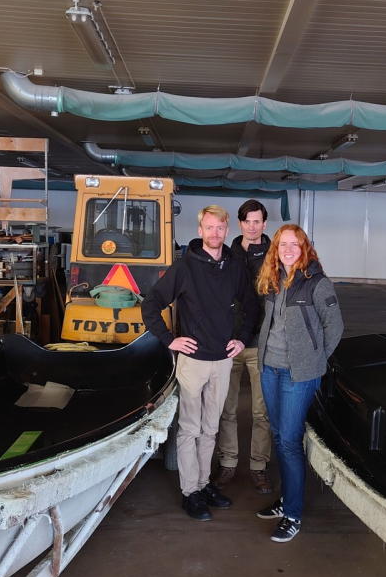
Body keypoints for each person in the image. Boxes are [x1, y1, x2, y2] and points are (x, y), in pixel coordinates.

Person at [142, 204, 259, 521]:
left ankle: (204, 484)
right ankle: (189, 493)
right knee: (190, 428)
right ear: (200, 231)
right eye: (209, 227)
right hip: (193, 361)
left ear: (226, 230)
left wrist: (242, 338)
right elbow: (151, 304)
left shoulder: (234, 268)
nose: (215, 233)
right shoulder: (184, 268)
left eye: (220, 228)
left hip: (222, 361)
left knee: (210, 428)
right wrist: (170, 340)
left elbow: (251, 305)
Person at [253, 224, 342, 542]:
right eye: (282, 244)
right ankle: (287, 499)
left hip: (297, 375)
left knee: (290, 441)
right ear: (275, 249)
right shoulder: (273, 279)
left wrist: (313, 361)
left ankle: (292, 514)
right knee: (279, 437)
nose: (288, 249)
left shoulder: (317, 283)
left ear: (305, 248)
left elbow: (334, 327)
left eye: (295, 244)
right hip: (269, 368)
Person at [212, 200, 274, 495]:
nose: (252, 227)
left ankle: (259, 467)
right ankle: (227, 463)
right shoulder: (226, 254)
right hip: (229, 343)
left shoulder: (276, 256)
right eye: (247, 221)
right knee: (227, 408)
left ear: (264, 224)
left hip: (263, 342)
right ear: (239, 224)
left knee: (262, 412)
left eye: (257, 221)